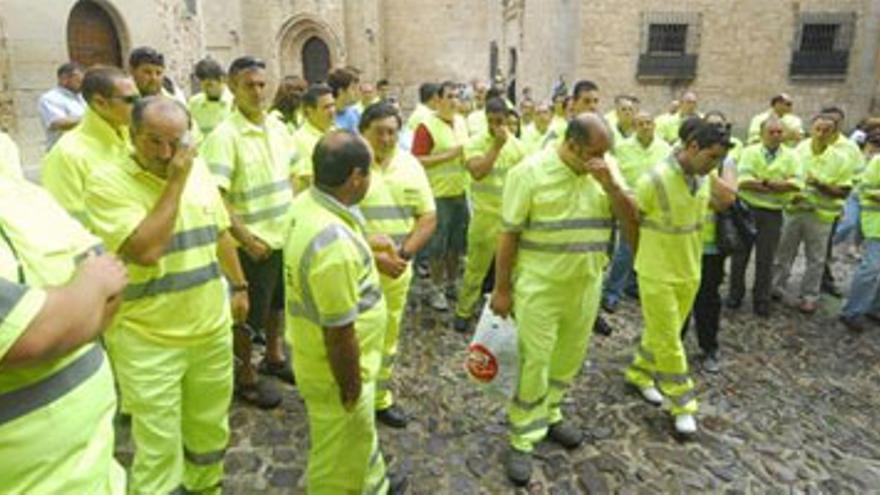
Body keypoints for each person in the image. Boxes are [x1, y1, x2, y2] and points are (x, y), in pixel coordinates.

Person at [85, 97, 247, 494]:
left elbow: (220, 231)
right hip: (147, 340)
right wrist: (176, 181)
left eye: (175, 142)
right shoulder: (106, 181)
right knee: (158, 448)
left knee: (209, 431)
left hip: (209, 329)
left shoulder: (199, 168)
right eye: (153, 141)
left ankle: (207, 487)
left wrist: (240, 285)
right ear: (132, 135)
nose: (165, 154)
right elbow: (145, 250)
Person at [491, 113, 638, 486]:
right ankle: (523, 436)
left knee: (568, 357)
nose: (600, 160)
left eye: (606, 153)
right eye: (594, 153)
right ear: (572, 145)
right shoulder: (528, 172)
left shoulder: (606, 170)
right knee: (534, 360)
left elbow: (632, 226)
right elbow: (508, 234)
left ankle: (551, 412)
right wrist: (502, 288)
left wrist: (612, 187)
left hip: (586, 284)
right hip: (540, 287)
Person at [285, 131, 406, 494]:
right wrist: (351, 385)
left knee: (357, 439)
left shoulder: (307, 204)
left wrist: (369, 247)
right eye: (368, 172)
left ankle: (374, 486)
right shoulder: (333, 245)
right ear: (356, 177)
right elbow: (339, 333)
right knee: (336, 459)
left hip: (316, 358)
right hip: (336, 371)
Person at [0, 177, 127, 495]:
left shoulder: (21, 190)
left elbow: (112, 279)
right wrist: (92, 288)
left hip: (95, 470)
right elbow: (31, 337)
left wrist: (71, 307)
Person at [625, 117, 733, 437]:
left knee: (662, 332)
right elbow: (631, 220)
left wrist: (715, 172)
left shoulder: (703, 177)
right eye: (711, 157)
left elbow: (728, 200)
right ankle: (682, 404)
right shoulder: (654, 180)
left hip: (689, 269)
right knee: (671, 340)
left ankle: (639, 373)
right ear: (692, 146)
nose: (714, 164)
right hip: (656, 271)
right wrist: (640, 256)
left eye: (720, 159)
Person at [202, 56, 297, 409]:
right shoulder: (224, 137)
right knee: (246, 317)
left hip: (282, 237)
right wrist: (246, 239)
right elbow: (216, 198)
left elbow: (291, 177)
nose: (257, 92)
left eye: (261, 84)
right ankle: (245, 376)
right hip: (252, 244)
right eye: (248, 85)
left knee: (276, 306)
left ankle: (274, 357)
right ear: (232, 87)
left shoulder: (277, 127)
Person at [358, 102, 437, 428]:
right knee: (355, 335)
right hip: (356, 269)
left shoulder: (410, 167)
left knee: (388, 337)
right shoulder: (349, 164)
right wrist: (372, 257)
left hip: (395, 271)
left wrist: (403, 255)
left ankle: (378, 398)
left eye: (393, 132)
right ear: (363, 132)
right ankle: (353, 398)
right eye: (380, 132)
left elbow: (428, 216)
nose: (387, 138)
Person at [453, 97, 525, 333]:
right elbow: (477, 172)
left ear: (508, 120)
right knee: (476, 268)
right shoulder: (474, 143)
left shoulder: (519, 148)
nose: (495, 126)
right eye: (491, 121)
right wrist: (496, 146)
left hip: (511, 219)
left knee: (512, 269)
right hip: (484, 217)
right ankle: (464, 310)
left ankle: (509, 310)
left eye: (500, 121)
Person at [773, 114, 852, 314]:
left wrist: (820, 185)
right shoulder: (796, 152)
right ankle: (776, 287)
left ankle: (809, 296)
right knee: (783, 252)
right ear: (811, 129)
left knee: (816, 259)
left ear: (834, 135)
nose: (821, 134)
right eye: (818, 129)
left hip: (820, 215)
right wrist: (792, 194)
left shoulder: (840, 159)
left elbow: (844, 190)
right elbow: (782, 178)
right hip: (793, 210)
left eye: (827, 130)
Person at [42, 66, 138, 224]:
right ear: (100, 103)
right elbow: (65, 221)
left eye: (139, 98)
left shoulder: (133, 139)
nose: (139, 106)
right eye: (130, 100)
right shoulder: (67, 155)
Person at [679, 118, 738, 374]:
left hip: (710, 244)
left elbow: (726, 199)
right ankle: (672, 348)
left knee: (708, 299)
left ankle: (709, 347)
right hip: (680, 245)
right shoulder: (674, 165)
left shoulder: (722, 162)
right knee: (677, 302)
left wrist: (706, 170)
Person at [727, 117, 800, 316]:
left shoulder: (792, 156)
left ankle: (761, 299)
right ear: (762, 134)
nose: (776, 135)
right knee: (740, 255)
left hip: (773, 213)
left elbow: (797, 183)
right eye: (772, 132)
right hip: (747, 209)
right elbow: (743, 181)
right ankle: (735, 294)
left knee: (766, 259)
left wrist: (762, 183)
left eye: (779, 132)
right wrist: (775, 184)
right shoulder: (750, 152)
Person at [602, 110, 671, 312]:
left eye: (649, 122)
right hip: (628, 204)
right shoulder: (622, 149)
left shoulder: (665, 149)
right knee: (625, 249)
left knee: (648, 248)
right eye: (640, 123)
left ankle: (633, 285)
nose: (645, 126)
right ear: (634, 127)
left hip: (655, 207)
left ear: (654, 126)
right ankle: (612, 292)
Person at [412, 81, 469, 311]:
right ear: (438, 100)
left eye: (457, 96)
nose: (455, 100)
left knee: (456, 244)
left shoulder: (461, 122)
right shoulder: (426, 126)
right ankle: (435, 288)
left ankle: (452, 283)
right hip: (437, 195)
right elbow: (417, 159)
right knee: (438, 246)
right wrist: (449, 155)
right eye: (450, 96)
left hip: (460, 191)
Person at [839, 132, 880, 332]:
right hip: (876, 223)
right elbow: (865, 191)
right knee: (871, 268)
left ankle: (875, 308)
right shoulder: (877, 162)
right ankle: (852, 312)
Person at [291, 84, 336, 192]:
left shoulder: (335, 131)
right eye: (326, 107)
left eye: (333, 105)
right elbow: (310, 179)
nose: (332, 111)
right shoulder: (300, 140)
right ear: (309, 111)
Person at [37, 62, 86, 150]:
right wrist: (92, 119)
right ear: (64, 79)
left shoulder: (83, 97)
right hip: (63, 151)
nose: (82, 84)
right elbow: (57, 123)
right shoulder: (50, 98)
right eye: (78, 81)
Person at [188, 57, 234, 136]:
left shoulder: (235, 103)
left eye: (209, 85)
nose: (205, 89)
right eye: (202, 84)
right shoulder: (194, 103)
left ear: (222, 80)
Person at [328, 67, 361, 132]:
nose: (356, 92)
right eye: (352, 88)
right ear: (341, 91)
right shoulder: (326, 115)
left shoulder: (354, 114)